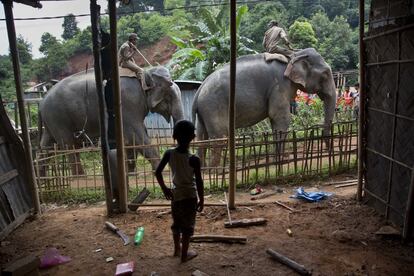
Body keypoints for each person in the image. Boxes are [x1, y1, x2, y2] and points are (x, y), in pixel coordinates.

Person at [155, 120, 204, 262]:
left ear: (174, 136)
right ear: (193, 137)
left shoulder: (169, 154)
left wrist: (165, 189)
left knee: (177, 224)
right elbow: (199, 182)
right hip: (190, 197)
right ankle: (184, 254)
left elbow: (158, 172)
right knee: (187, 226)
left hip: (176, 196)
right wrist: (202, 199)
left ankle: (177, 249)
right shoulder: (194, 159)